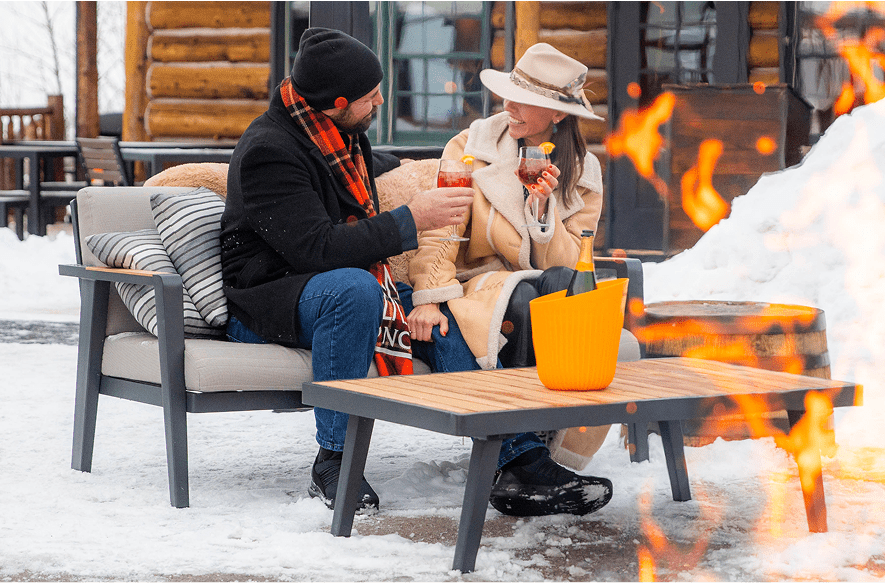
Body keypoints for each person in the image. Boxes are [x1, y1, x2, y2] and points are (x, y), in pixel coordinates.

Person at [220, 28, 474, 512]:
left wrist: (406, 165)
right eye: (370, 96)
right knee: (355, 289)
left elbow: (350, 169)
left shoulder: (338, 136)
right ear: (336, 102)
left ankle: (514, 456)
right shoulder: (267, 153)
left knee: (438, 307)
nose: (381, 100)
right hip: (269, 300)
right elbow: (317, 249)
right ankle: (334, 462)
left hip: (333, 287)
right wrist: (411, 219)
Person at [401, 43, 614, 517]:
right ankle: (522, 458)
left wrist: (543, 208)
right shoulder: (469, 147)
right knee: (522, 298)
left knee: (558, 285)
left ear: (557, 115)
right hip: (476, 284)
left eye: (522, 99)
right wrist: (430, 296)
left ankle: (527, 456)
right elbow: (443, 228)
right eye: (508, 95)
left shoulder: (585, 174)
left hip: (542, 283)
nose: (508, 106)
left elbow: (577, 261)